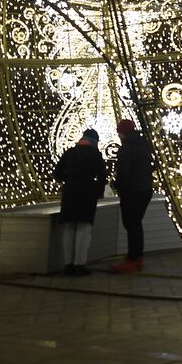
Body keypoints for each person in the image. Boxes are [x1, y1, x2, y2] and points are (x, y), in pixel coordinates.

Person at [53, 127, 107, 277]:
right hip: (87, 194)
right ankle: (79, 264)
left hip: (70, 193)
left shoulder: (70, 152)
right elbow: (102, 176)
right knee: (83, 230)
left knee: (69, 229)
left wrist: (70, 178)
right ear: (95, 141)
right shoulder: (95, 155)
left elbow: (57, 173)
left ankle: (67, 265)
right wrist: (99, 192)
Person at [110, 118, 153, 274]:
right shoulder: (145, 145)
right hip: (146, 189)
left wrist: (117, 184)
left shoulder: (126, 148)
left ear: (122, 133)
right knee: (136, 224)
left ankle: (132, 259)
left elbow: (123, 172)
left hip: (132, 191)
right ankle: (138, 256)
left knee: (131, 224)